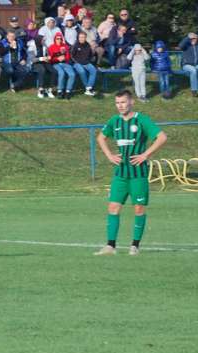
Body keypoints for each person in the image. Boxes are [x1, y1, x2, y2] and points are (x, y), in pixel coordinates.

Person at [94, 90, 167, 257]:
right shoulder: (114, 121)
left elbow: (162, 137)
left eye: (123, 102)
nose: (120, 106)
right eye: (117, 103)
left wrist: (145, 155)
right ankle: (110, 246)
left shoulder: (142, 120)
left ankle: (135, 246)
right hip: (120, 173)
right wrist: (109, 155)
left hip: (138, 174)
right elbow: (100, 138)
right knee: (113, 207)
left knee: (139, 208)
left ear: (131, 102)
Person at [48, 32, 74, 99]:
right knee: (61, 73)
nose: (59, 40)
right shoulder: (51, 47)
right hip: (56, 63)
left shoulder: (65, 46)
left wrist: (64, 58)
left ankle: (68, 91)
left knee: (72, 74)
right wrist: (57, 59)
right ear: (55, 39)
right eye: (57, 39)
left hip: (65, 63)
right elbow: (50, 59)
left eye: (60, 39)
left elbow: (68, 57)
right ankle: (60, 91)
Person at [71, 30, 96, 96]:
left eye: (83, 37)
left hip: (86, 62)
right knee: (82, 71)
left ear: (85, 38)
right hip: (77, 63)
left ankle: (89, 87)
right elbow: (72, 56)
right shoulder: (75, 45)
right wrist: (77, 62)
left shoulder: (88, 45)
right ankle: (87, 88)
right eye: (80, 37)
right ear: (78, 38)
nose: (82, 39)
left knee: (93, 70)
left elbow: (90, 55)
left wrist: (89, 60)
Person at [179, 32, 198, 97]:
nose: (194, 40)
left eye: (195, 38)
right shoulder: (186, 45)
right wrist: (188, 37)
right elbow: (180, 45)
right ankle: (194, 90)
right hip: (186, 65)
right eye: (193, 38)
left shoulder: (197, 46)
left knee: (194, 69)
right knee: (193, 70)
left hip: (196, 64)